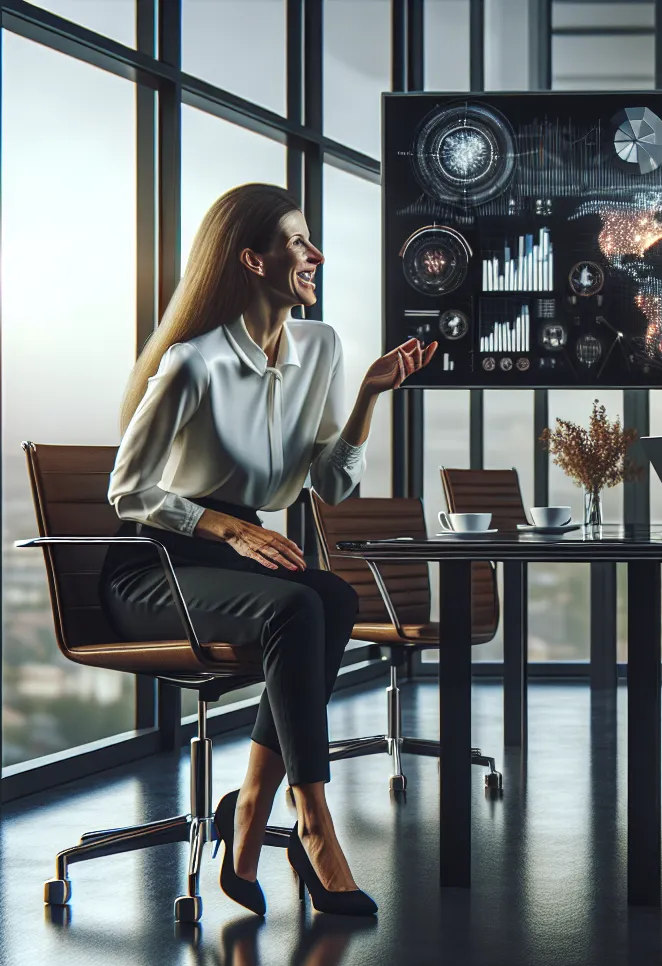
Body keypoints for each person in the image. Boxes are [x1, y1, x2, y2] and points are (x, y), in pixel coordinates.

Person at [103, 182, 436, 918]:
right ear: (252, 259)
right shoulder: (194, 364)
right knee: (296, 604)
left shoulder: (321, 347)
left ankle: (249, 808)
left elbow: (331, 486)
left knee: (334, 595)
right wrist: (228, 528)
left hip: (234, 561)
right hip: (155, 565)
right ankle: (313, 823)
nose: (314, 254)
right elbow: (127, 491)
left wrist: (369, 399)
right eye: (295, 241)